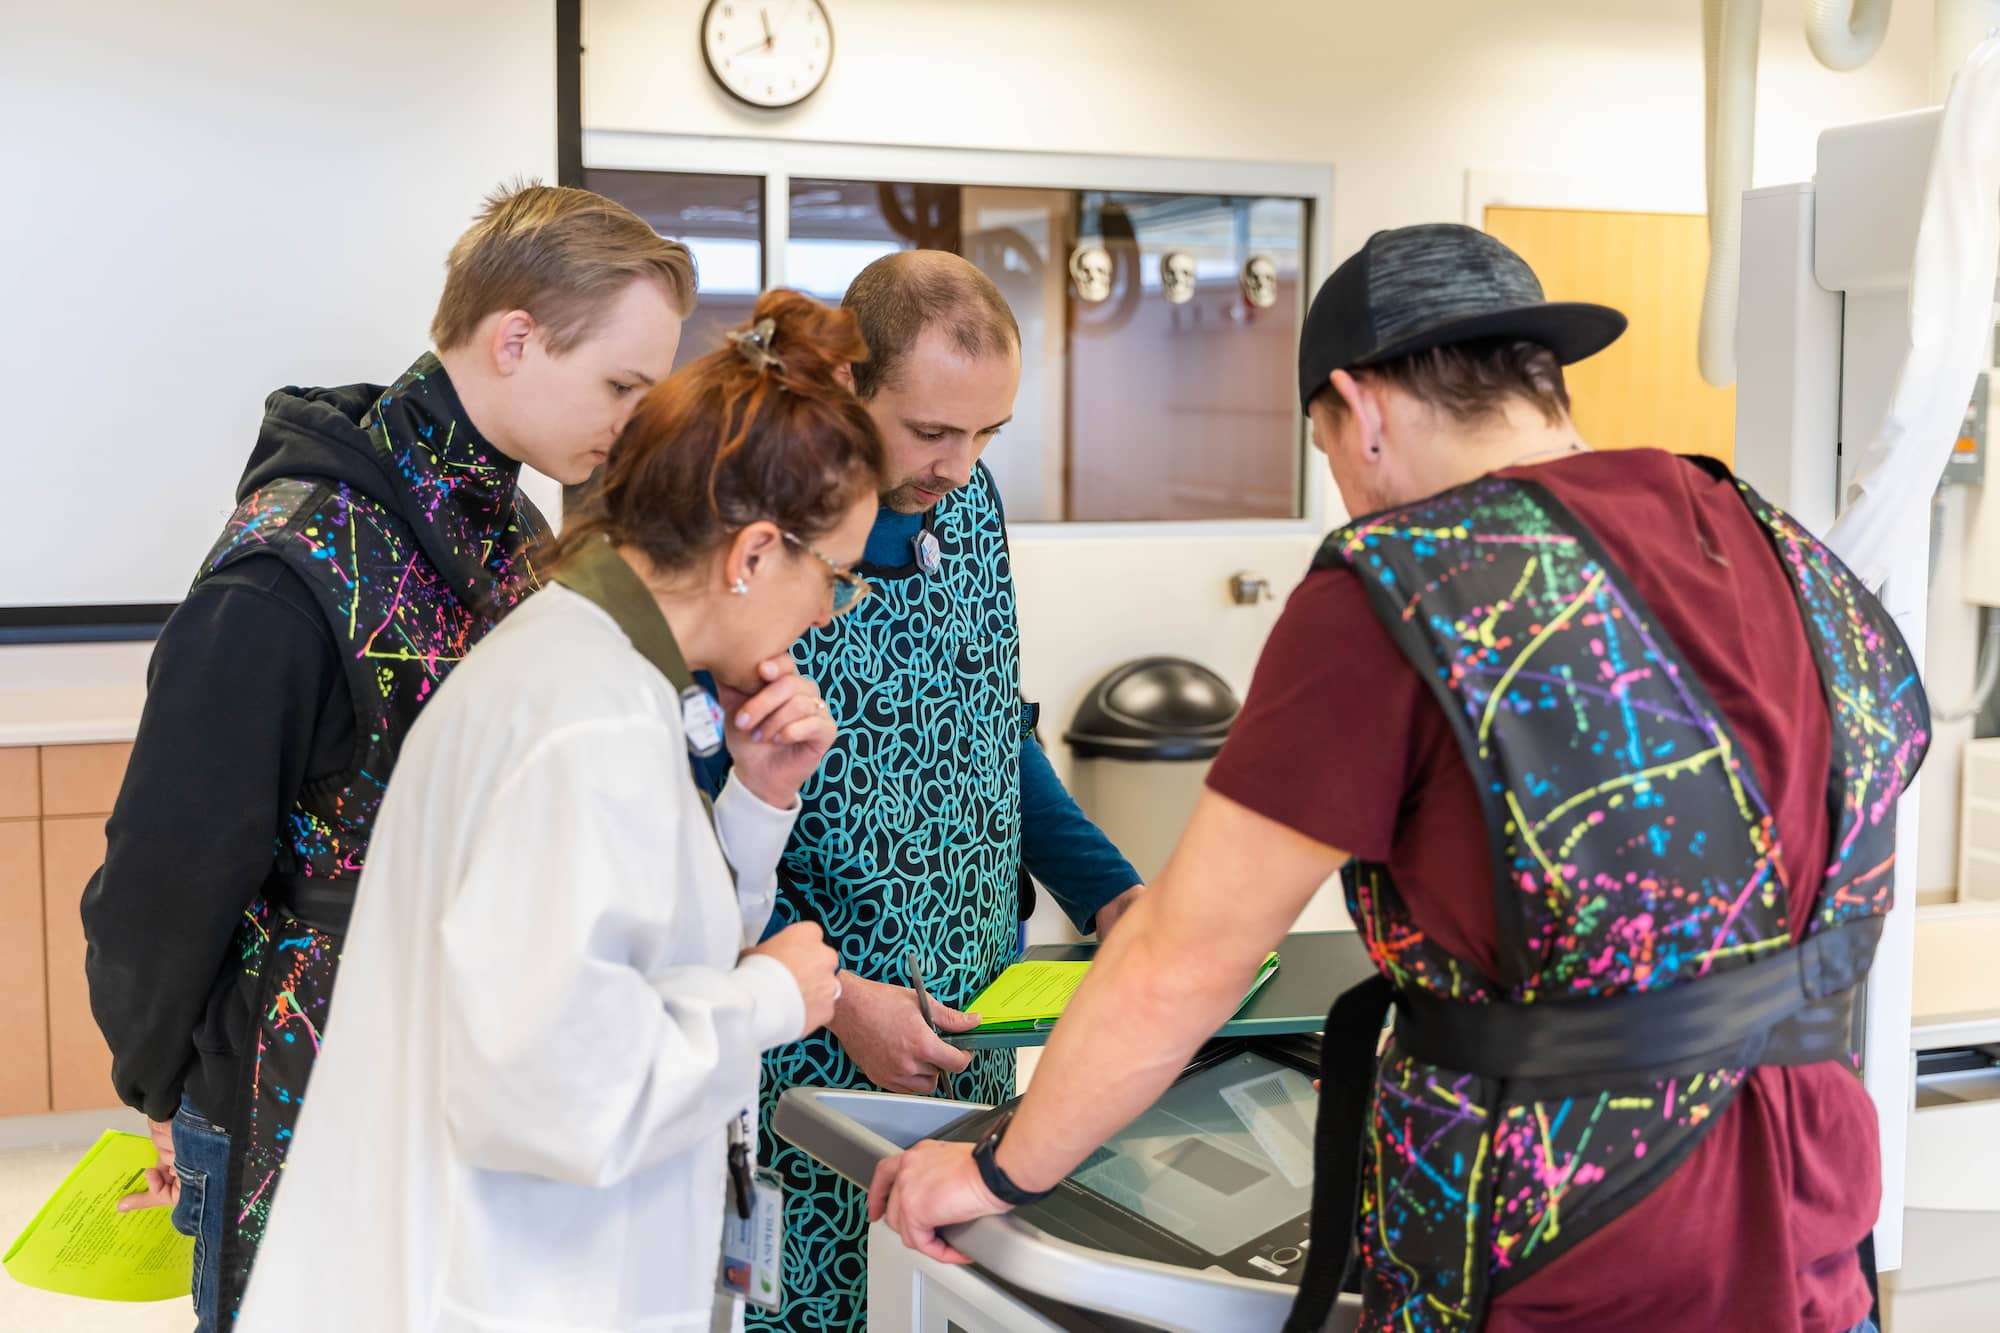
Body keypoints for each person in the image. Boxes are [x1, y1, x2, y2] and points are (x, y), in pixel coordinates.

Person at [870, 223, 1925, 1333]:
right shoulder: (1780, 545)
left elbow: (1184, 959)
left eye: (1325, 453)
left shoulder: (1407, 580)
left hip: (1566, 1237)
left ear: (1356, 410)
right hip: (1813, 1192)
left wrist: (996, 1172)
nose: (1343, 495)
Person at [78, 182, 695, 1328]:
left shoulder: (513, 532)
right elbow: (167, 868)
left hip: (449, 1067)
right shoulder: (286, 564)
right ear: (515, 339)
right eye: (621, 384)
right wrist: (164, 1084)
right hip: (290, 1088)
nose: (633, 419)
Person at [238, 290, 869, 1332]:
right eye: (833, 578)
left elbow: (635, 958)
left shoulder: (584, 664)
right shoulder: (589, 719)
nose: (823, 613)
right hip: (506, 1283)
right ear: (753, 553)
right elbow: (554, 1089)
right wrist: (767, 1000)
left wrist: (757, 802)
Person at [727, 250, 1147, 1332]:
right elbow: (678, 836)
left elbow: (985, 724)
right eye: (930, 432)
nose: (958, 465)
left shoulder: (966, 505)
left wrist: (1109, 893)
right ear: (848, 387)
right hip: (799, 1042)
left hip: (969, 1024)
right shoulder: (751, 530)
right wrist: (845, 999)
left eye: (986, 434)